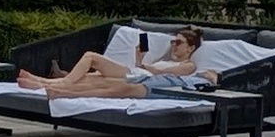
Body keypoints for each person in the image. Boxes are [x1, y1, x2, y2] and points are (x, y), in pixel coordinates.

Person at [16, 27, 218, 101]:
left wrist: (142, 63)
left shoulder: (189, 67)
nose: (174, 45)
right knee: (91, 77)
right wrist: (140, 59)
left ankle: (59, 83)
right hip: (138, 72)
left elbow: (156, 74)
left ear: (191, 48)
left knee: (90, 57)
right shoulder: (165, 59)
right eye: (172, 41)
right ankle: (44, 83)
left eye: (179, 42)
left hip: (142, 76)